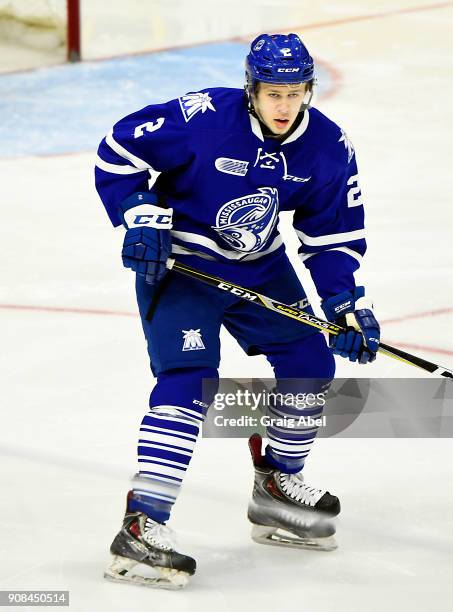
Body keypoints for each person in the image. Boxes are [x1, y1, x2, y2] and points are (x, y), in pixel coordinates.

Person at [95, 33, 380, 589]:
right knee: (189, 381)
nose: (284, 106)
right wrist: (138, 213)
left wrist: (344, 302)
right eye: (273, 92)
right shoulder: (201, 118)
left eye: (295, 93)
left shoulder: (326, 145)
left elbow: (333, 234)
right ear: (251, 88)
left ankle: (276, 487)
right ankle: (141, 525)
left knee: (310, 361)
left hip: (260, 266)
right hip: (182, 267)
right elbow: (118, 149)